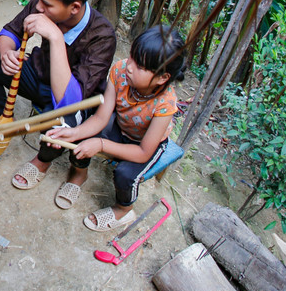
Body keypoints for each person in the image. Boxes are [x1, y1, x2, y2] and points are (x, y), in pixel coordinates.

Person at [0, 0, 116, 194]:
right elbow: (10, 32)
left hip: (71, 98)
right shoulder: (42, 2)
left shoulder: (103, 36)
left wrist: (55, 36)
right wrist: (6, 53)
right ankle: (3, 119)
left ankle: (42, 161)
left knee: (61, 124)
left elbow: (70, 100)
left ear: (74, 7)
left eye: (47, 4)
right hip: (37, 74)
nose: (38, 7)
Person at [42, 26, 185, 231]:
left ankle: (123, 209)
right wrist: (74, 133)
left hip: (145, 144)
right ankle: (79, 173)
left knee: (125, 175)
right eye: (132, 57)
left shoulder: (165, 103)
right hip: (121, 126)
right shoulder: (120, 71)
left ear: (162, 77)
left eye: (140, 66)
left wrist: (100, 144)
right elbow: (101, 117)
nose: (130, 67)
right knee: (83, 134)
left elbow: (143, 152)